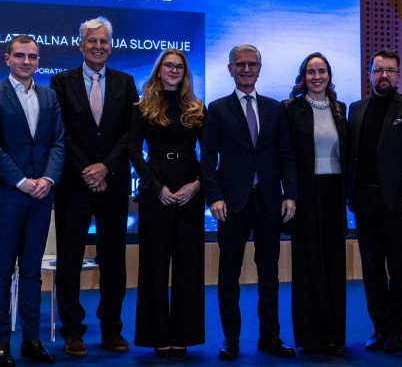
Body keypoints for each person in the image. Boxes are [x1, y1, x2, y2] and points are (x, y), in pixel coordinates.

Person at [201, 44, 298, 360]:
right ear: (230, 69)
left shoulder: (275, 109)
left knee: (269, 274)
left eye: (251, 64)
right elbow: (208, 159)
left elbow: (286, 156)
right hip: (231, 203)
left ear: (259, 67)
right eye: (240, 64)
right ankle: (230, 339)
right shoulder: (215, 109)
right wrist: (213, 197)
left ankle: (270, 337)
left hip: (270, 201)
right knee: (228, 274)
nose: (246, 69)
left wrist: (291, 194)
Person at [50, 17, 139, 356]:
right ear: (81, 45)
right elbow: (60, 132)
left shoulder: (126, 82)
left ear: (111, 45)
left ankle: (111, 329)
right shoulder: (60, 82)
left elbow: (131, 133)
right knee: (69, 261)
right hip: (73, 184)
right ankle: (72, 330)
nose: (98, 46)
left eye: (104, 41)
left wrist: (106, 167)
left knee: (114, 261)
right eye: (92, 41)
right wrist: (87, 169)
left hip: (113, 184)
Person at [0, 35, 65, 366]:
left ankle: (31, 339)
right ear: (7, 58)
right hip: (7, 195)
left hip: (42, 196)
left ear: (38, 60)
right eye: (20, 55)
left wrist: (46, 179)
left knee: (32, 273)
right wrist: (21, 181)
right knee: (3, 272)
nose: (27, 61)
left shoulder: (49, 95)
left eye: (32, 56)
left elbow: (58, 142)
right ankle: (0, 344)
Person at [347, 48, 402, 353]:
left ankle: (397, 331)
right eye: (378, 70)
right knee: (371, 269)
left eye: (390, 70)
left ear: (398, 74)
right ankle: (379, 327)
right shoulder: (356, 109)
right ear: (370, 73)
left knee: (398, 268)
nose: (384, 75)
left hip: (398, 204)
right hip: (363, 201)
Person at [129, 49, 206, 359]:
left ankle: (183, 335)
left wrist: (197, 184)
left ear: (185, 72)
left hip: (190, 187)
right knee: (154, 267)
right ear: (159, 71)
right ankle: (158, 336)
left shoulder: (197, 108)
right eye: (168, 66)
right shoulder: (143, 107)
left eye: (179, 66)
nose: (174, 70)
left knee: (189, 267)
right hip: (155, 189)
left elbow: (210, 153)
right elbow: (134, 152)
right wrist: (156, 186)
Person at [284, 52, 348, 356]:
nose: (317, 76)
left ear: (329, 75)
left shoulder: (340, 109)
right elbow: (287, 157)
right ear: (303, 76)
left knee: (333, 264)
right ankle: (312, 338)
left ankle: (334, 336)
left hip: (334, 193)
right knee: (308, 266)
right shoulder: (290, 109)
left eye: (322, 71)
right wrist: (291, 194)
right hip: (305, 195)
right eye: (311, 72)